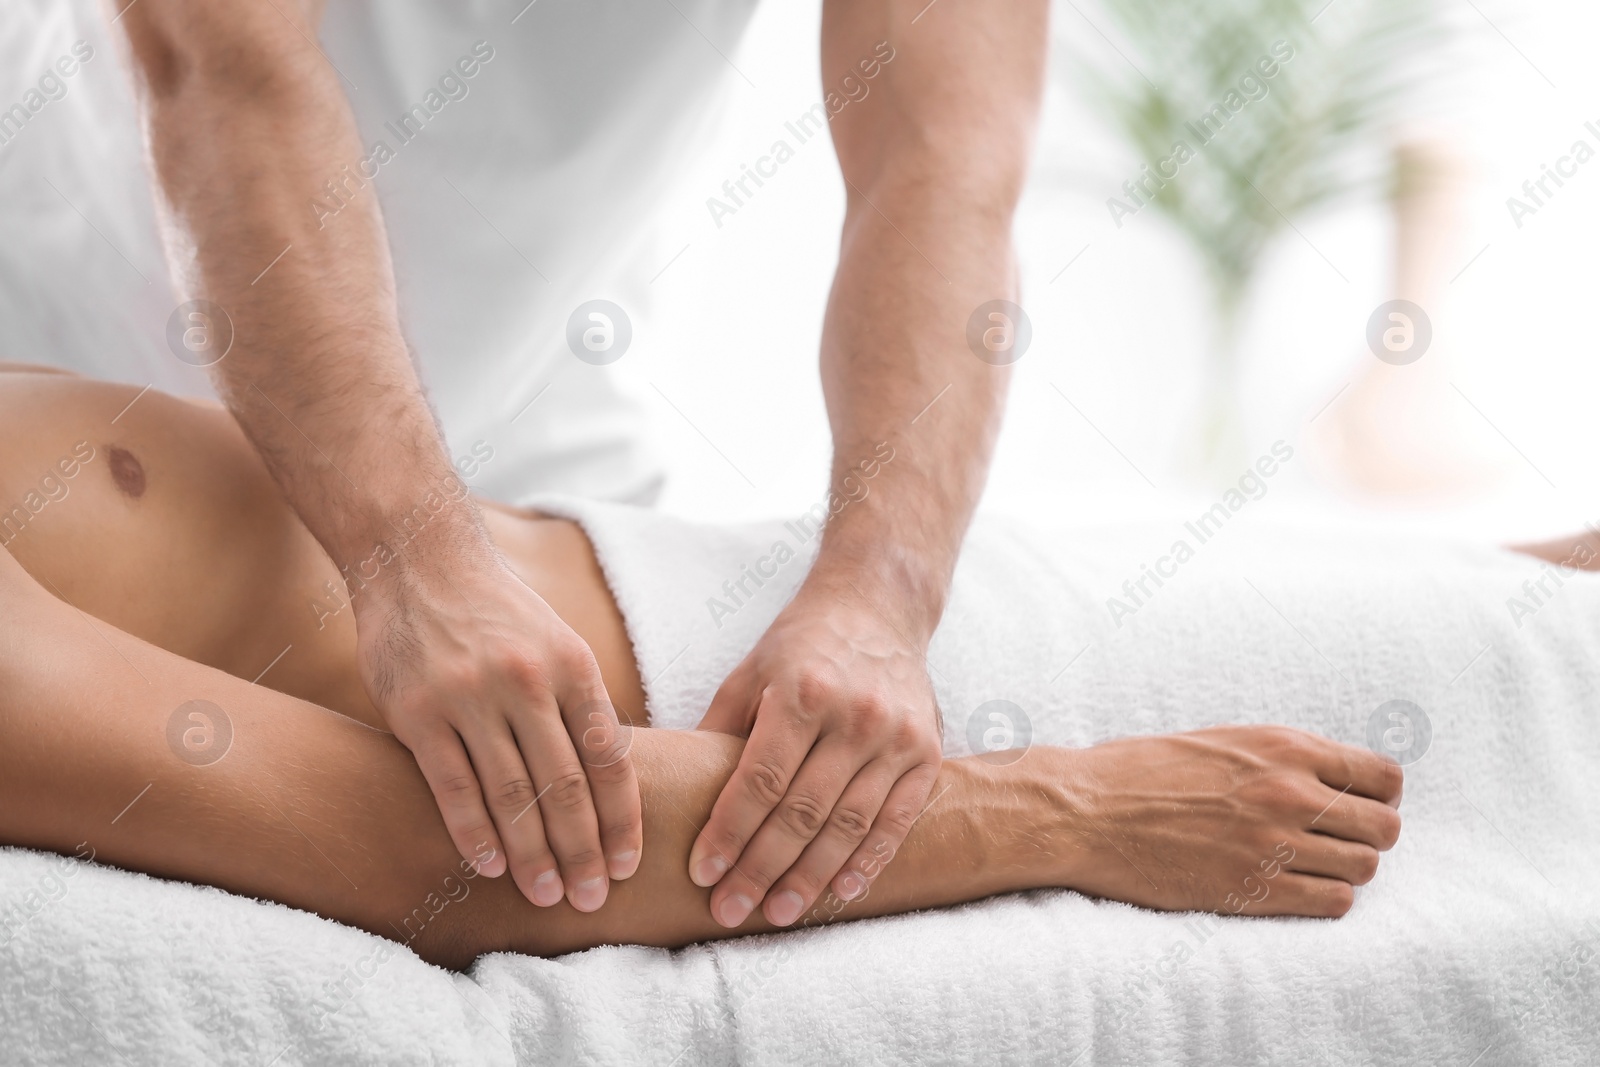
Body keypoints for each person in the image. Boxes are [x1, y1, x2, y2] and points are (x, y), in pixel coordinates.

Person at [68, 0, 1054, 932]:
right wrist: (413, 559)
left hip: (547, 439)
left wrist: (880, 594)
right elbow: (221, 62)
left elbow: (942, 159)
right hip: (87, 389)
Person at [0, 365, 1418, 969]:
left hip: (779, 596)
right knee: (1499, 650)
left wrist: (875, 586)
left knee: (1497, 587)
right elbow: (437, 836)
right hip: (736, 708)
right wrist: (1078, 810)